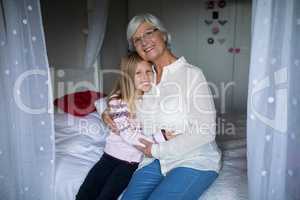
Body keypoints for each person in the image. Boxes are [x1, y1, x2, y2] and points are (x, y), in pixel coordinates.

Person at [102, 13, 222, 200]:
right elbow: (123, 100)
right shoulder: (143, 79)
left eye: (148, 33)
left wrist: (156, 150)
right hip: (153, 162)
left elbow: (205, 131)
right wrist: (107, 113)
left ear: (164, 35)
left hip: (193, 159)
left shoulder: (192, 74)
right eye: (137, 39)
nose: (144, 42)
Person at [76, 53, 175, 200]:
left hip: (130, 164)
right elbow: (128, 135)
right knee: (85, 193)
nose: (145, 77)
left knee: (106, 196)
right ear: (128, 77)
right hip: (109, 157)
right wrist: (161, 136)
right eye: (138, 73)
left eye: (148, 71)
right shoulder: (118, 101)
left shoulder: (151, 99)